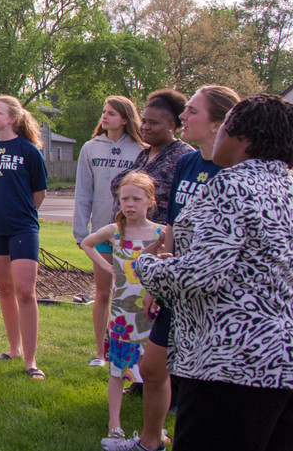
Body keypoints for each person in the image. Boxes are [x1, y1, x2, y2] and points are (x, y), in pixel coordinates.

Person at [135, 94, 293, 451]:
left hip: (231, 362)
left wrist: (147, 265)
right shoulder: (286, 186)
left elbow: (200, 276)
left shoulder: (231, 186)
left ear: (244, 137)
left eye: (226, 126)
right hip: (281, 362)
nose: (219, 132)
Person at [102, 85, 240, 451]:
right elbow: (173, 226)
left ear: (218, 123)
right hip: (173, 279)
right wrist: (157, 281)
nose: (183, 117)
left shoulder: (231, 170)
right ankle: (150, 442)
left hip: (207, 288)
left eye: (192, 111)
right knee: (151, 367)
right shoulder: (187, 164)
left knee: (199, 380)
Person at [82, 172, 161, 441]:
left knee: (155, 373)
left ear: (150, 201)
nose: (129, 204)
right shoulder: (115, 231)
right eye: (124, 198)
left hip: (151, 313)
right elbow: (87, 243)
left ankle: (155, 426)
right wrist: (107, 268)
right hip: (122, 315)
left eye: (136, 199)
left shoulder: (161, 233)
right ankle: (114, 423)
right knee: (117, 369)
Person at [0, 95, 48, 380]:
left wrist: (21, 212)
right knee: (5, 289)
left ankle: (31, 361)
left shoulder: (29, 151)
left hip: (23, 228)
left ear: (13, 118)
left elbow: (39, 193)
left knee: (26, 292)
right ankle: (14, 349)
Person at [73, 96, 144, 367]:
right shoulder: (90, 148)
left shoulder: (140, 149)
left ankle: (133, 350)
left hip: (132, 233)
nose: (105, 116)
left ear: (125, 118)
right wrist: (81, 231)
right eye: (104, 112)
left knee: (131, 295)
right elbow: (83, 192)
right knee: (103, 293)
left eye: (112, 113)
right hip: (102, 233)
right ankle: (100, 353)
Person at [110, 89, 194, 225]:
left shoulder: (183, 157)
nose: (145, 127)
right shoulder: (143, 155)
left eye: (153, 123)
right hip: (124, 234)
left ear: (171, 125)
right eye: (143, 121)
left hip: (158, 235)